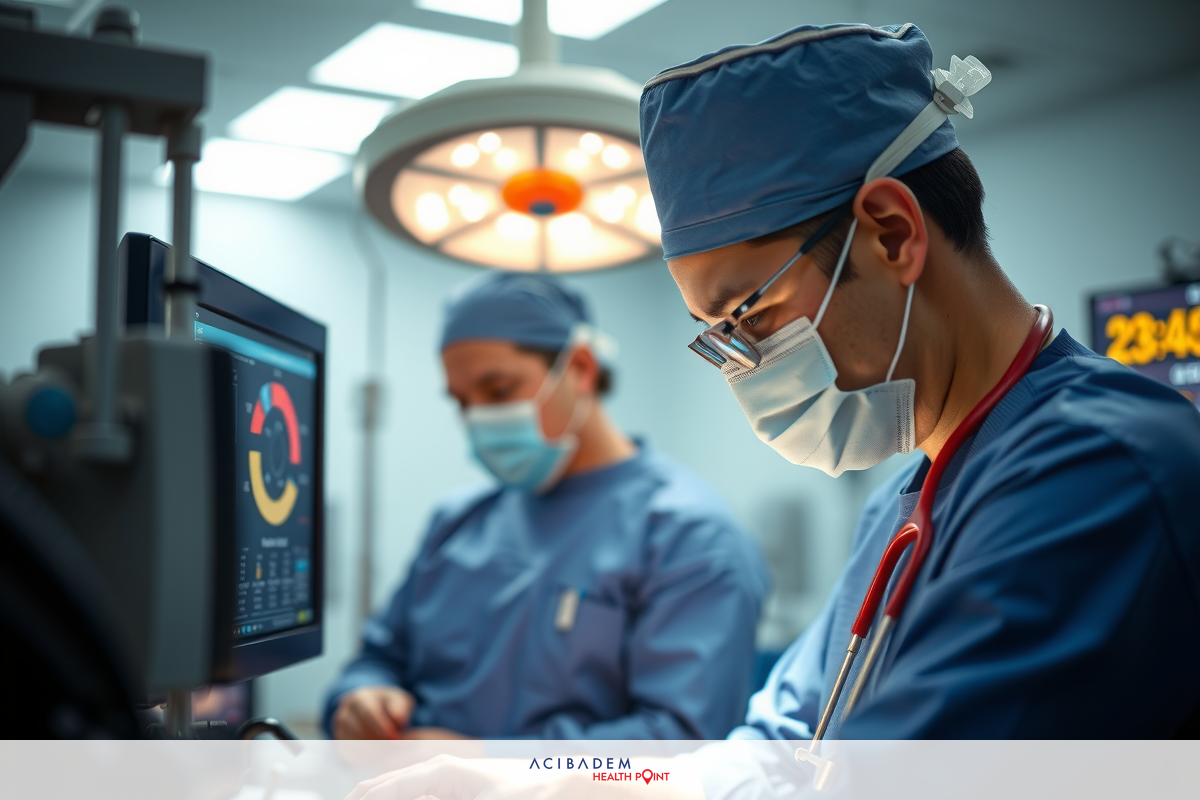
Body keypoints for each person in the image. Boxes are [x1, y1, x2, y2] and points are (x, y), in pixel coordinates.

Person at [345, 19, 1200, 798]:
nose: (747, 367)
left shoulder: (1096, 470)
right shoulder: (904, 504)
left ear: (893, 233)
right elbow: (770, 748)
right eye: (719, 334)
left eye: (748, 315)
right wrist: (527, 781)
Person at [324, 272, 770, 740]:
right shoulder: (455, 523)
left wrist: (490, 768)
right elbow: (378, 658)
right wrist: (362, 696)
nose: (477, 418)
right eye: (461, 401)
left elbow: (678, 746)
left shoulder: (690, 537)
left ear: (580, 368)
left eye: (498, 391)